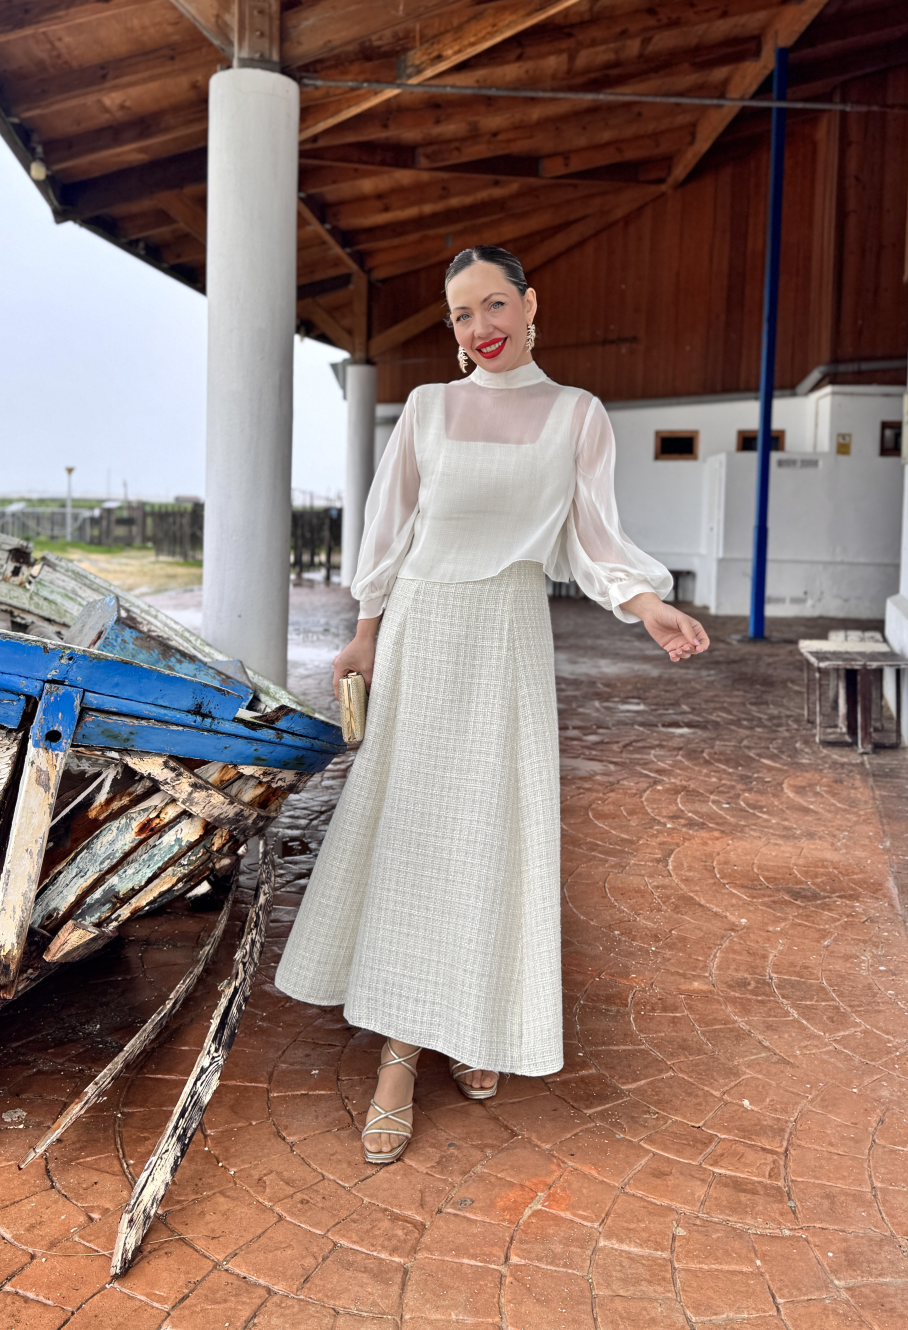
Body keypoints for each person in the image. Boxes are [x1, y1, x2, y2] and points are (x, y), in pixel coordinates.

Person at [275, 244, 710, 1163]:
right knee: (417, 834)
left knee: (492, 832)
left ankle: (476, 1022)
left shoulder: (578, 416)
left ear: (530, 303)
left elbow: (593, 539)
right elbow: (390, 528)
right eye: (463, 314)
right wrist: (365, 632)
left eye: (495, 304)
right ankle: (399, 1051)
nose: (481, 326)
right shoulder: (429, 409)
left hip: (510, 633)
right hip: (426, 631)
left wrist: (648, 606)